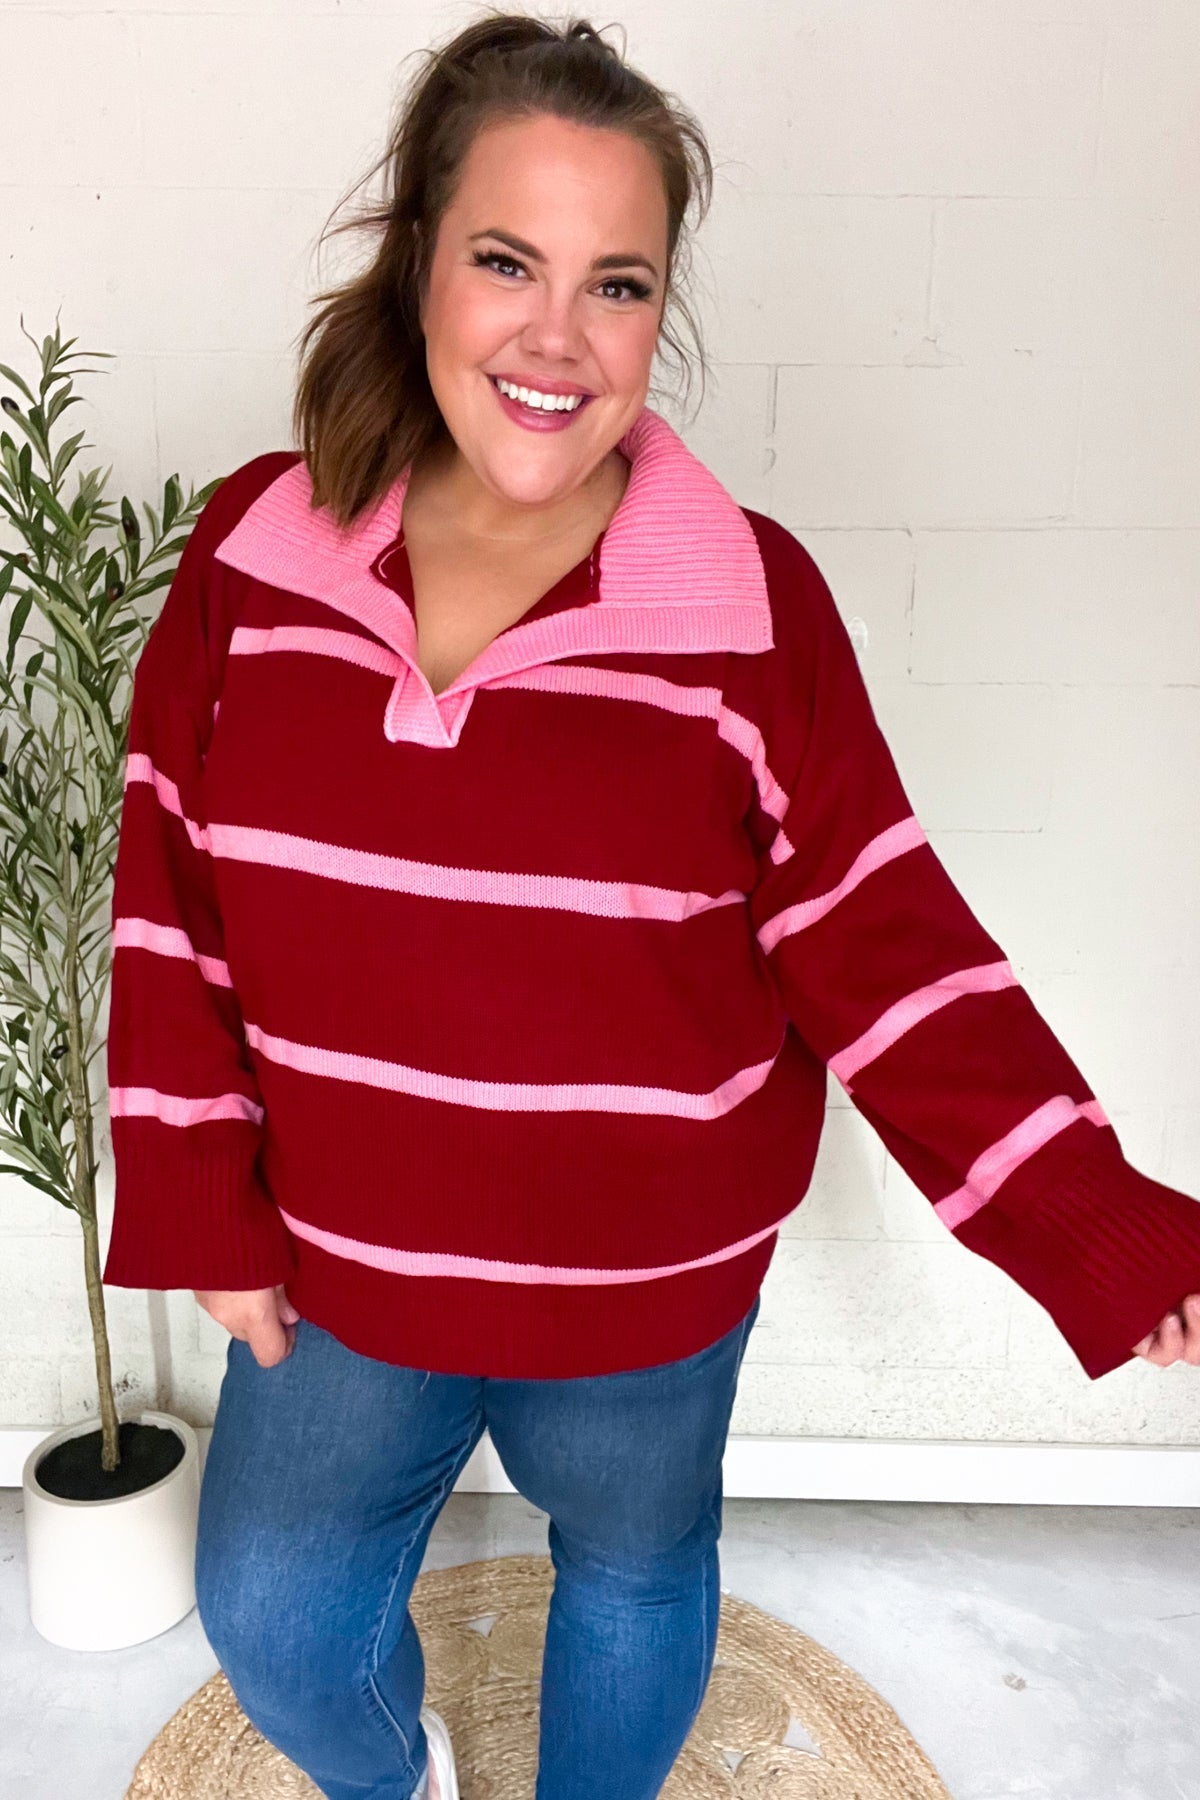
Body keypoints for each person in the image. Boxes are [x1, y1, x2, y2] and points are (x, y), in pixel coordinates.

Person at [100, 11, 1200, 1800]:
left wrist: (1096, 1223)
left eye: (615, 284)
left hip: (650, 1289)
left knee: (633, 1572)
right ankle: (396, 1777)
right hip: (336, 1267)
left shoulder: (749, 603)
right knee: (277, 1611)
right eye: (506, 262)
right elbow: (166, 894)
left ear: (658, 310)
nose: (557, 337)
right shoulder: (254, 553)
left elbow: (885, 942)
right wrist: (196, 1198)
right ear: (418, 261)